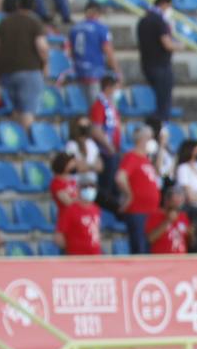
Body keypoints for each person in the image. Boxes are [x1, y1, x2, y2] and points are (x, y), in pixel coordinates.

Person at [0, 0, 50, 133]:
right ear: (33, 6)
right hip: (29, 71)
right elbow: (42, 47)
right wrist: (45, 66)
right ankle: (26, 141)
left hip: (7, 72)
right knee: (27, 111)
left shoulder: (4, 22)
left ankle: (16, 141)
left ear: (18, 4)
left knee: (13, 111)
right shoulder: (34, 22)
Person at [64, 0, 118, 108]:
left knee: (85, 107)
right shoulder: (101, 28)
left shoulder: (74, 29)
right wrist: (117, 70)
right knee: (97, 109)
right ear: (97, 12)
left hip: (79, 72)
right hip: (95, 72)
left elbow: (69, 52)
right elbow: (108, 51)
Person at [135, 0, 179, 125]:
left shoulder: (143, 20)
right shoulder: (159, 21)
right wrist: (180, 46)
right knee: (163, 104)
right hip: (161, 66)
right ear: (164, 4)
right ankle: (160, 128)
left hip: (147, 64)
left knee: (160, 101)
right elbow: (167, 44)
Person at [117, 125, 160, 254]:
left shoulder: (145, 159)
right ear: (142, 139)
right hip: (138, 211)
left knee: (148, 247)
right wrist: (129, 195)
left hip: (151, 211)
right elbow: (120, 177)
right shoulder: (132, 157)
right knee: (140, 248)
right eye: (149, 137)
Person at [88, 73, 121, 205]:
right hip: (106, 152)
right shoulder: (99, 106)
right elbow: (96, 130)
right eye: (115, 88)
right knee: (106, 187)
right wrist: (109, 146)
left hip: (112, 150)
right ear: (108, 88)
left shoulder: (109, 104)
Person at [53, 179, 102, 255]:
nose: (89, 190)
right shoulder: (70, 210)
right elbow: (59, 236)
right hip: (76, 256)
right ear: (78, 190)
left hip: (94, 254)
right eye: (85, 187)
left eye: (92, 187)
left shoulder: (96, 209)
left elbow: (96, 231)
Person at [148, 185, 191, 255]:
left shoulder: (183, 216)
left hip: (181, 259)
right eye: (174, 200)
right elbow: (150, 239)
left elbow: (188, 242)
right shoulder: (156, 215)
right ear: (166, 201)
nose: (177, 203)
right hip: (162, 260)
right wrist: (168, 221)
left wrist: (191, 234)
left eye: (179, 200)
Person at [49, 150, 78, 221]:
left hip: (76, 217)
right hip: (66, 219)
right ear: (64, 165)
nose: (74, 164)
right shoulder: (56, 183)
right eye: (71, 163)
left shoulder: (72, 181)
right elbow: (67, 202)